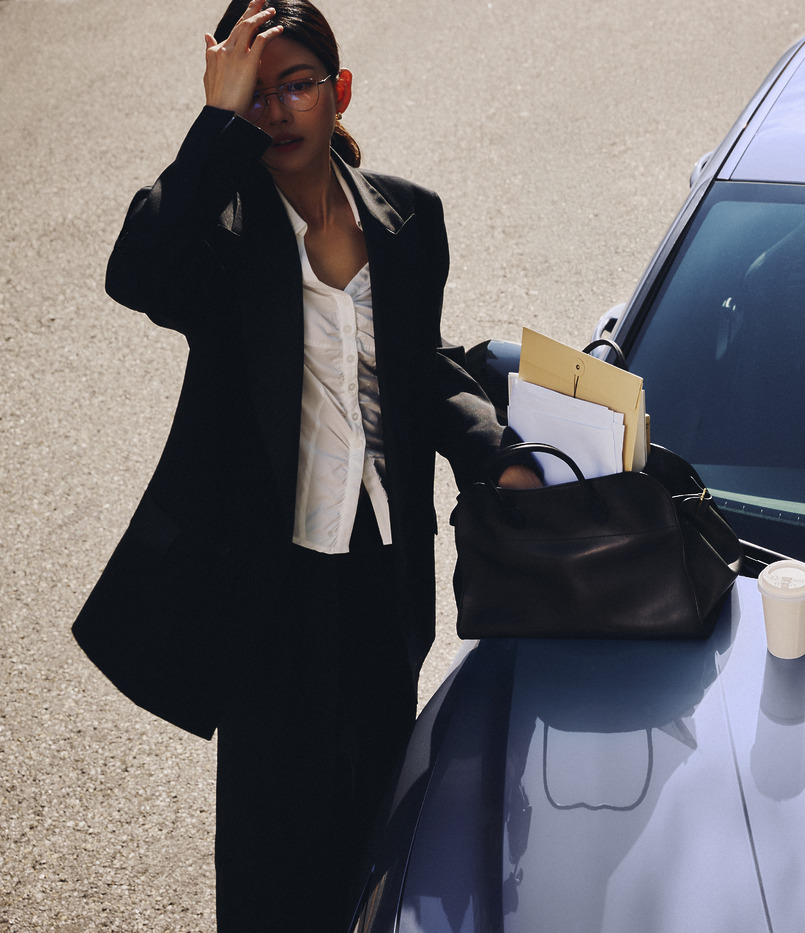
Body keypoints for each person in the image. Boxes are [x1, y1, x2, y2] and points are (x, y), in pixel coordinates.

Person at [71, 1, 537, 928]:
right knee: (270, 857)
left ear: (340, 91)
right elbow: (135, 271)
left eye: (298, 86)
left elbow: (413, 369)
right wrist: (216, 120)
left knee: (376, 830)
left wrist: (496, 452)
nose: (278, 110)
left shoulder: (409, 219)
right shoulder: (222, 234)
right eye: (257, 94)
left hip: (380, 579)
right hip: (265, 589)